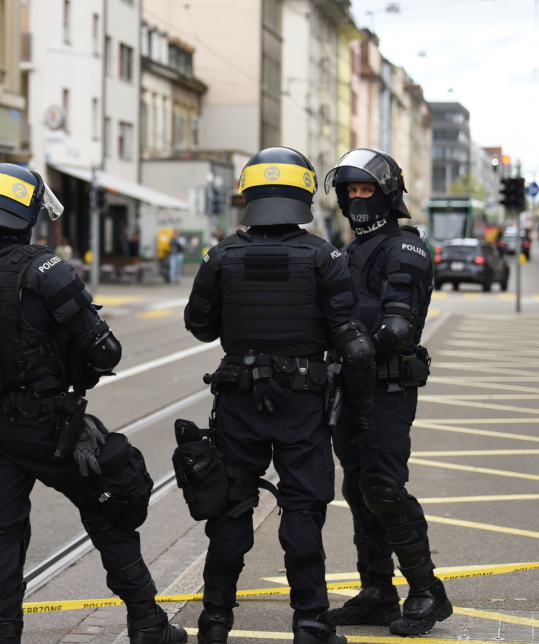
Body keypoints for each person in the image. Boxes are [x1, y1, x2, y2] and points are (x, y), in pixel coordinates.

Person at [0, 163, 186, 644]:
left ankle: (3, 637)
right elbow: (106, 351)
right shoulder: (45, 270)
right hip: (49, 428)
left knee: (1, 536)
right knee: (111, 504)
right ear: (26, 215)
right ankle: (147, 623)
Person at [182, 147, 376, 644]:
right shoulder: (323, 257)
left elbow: (199, 326)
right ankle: (310, 622)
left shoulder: (222, 254)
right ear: (303, 192)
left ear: (250, 194)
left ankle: (214, 621)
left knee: (230, 510)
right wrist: (361, 410)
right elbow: (350, 343)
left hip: (238, 402)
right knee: (303, 511)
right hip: (303, 403)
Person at [321, 149, 451, 636]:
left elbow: (395, 328)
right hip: (347, 390)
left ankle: (426, 591)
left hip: (388, 386)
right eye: (350, 191)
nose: (357, 200)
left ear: (387, 193)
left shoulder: (405, 248)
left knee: (384, 488)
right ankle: (377, 591)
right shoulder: (350, 251)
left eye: (365, 190)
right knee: (358, 490)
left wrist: (350, 347)